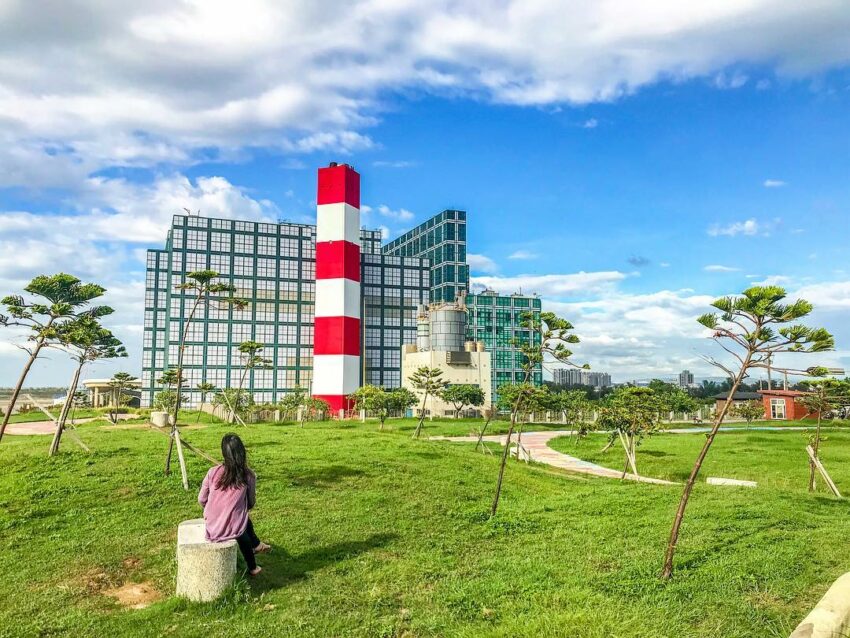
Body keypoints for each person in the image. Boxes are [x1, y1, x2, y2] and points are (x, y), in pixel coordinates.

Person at [198, 433, 270, 576]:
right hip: (231, 527)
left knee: (240, 522)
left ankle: (256, 545)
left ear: (223, 453)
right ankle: (253, 566)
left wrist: (214, 509)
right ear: (242, 452)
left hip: (212, 525)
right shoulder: (248, 475)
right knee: (240, 526)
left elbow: (201, 499)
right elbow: (250, 502)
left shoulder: (213, 472)